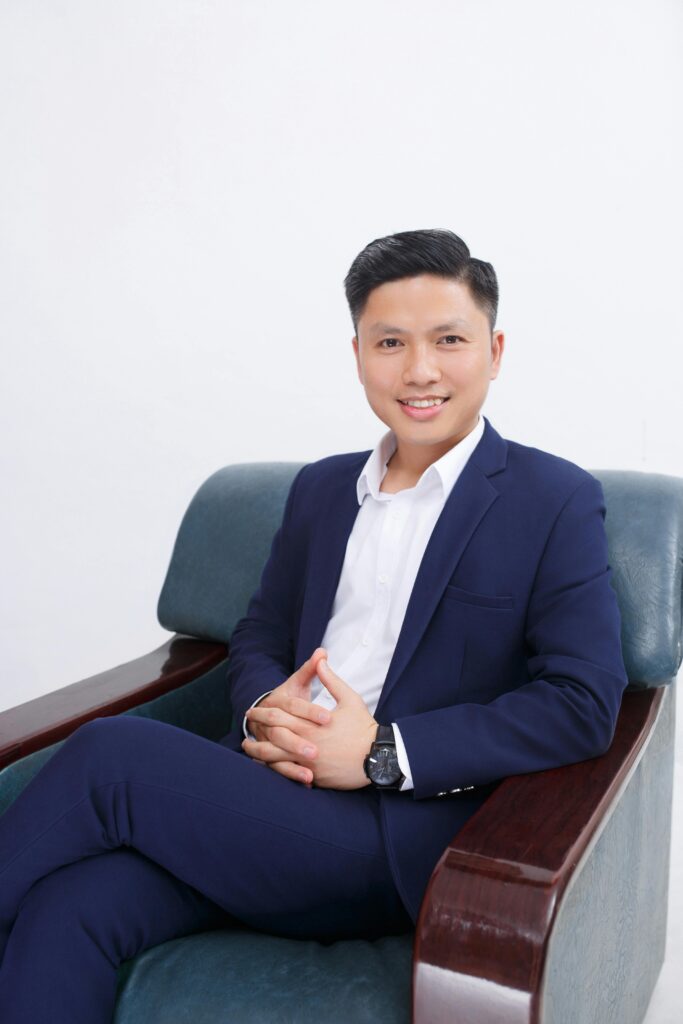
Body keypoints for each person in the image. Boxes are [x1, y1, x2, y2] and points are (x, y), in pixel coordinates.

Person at [0, 229, 629, 1022]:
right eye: (390, 342)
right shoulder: (322, 490)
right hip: (257, 797)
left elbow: (581, 701)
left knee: (109, 755)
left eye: (449, 340)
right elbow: (259, 631)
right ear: (358, 350)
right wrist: (269, 708)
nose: (420, 369)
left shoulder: (553, 500)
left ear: (494, 350)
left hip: (384, 836)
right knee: (69, 907)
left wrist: (377, 754)